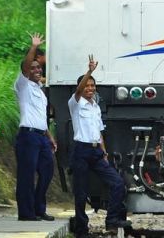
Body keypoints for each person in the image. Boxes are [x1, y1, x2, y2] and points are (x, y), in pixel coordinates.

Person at [69, 55, 130, 237]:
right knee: (81, 193)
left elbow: (99, 131)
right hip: (81, 150)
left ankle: (112, 219)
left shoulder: (95, 106)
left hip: (96, 151)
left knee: (117, 183)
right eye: (87, 85)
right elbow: (78, 90)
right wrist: (89, 71)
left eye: (92, 85)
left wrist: (103, 152)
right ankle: (81, 230)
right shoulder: (75, 103)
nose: (90, 88)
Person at [14, 32, 56, 222]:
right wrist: (34, 46)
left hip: (41, 137)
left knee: (47, 171)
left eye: (39, 67)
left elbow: (41, 118)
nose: (38, 70)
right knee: (26, 176)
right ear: (26, 71)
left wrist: (50, 136)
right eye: (34, 68)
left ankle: (39, 209)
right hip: (28, 137)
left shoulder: (40, 90)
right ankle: (26, 213)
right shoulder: (22, 85)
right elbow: (26, 64)